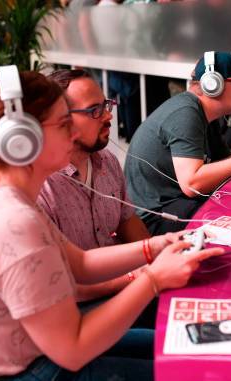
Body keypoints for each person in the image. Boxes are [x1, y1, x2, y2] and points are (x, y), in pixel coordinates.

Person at [0, 69, 222, 380]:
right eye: (63, 125)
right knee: (191, 369)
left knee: (187, 348)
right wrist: (153, 280)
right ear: (22, 141)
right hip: (18, 371)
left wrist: (155, 246)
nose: (73, 134)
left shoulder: (4, 196)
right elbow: (73, 350)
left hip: (38, 351)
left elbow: (82, 262)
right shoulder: (12, 222)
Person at [124, 51, 231, 235]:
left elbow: (227, 166)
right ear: (212, 85)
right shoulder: (185, 114)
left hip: (177, 203)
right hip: (156, 217)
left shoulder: (205, 116)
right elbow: (192, 184)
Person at [38, 69, 151, 303]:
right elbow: (62, 286)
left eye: (105, 106)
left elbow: (126, 219)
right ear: (60, 120)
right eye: (94, 111)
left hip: (123, 282)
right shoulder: (41, 188)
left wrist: (157, 255)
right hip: (81, 304)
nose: (108, 116)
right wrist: (139, 276)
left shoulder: (106, 160)